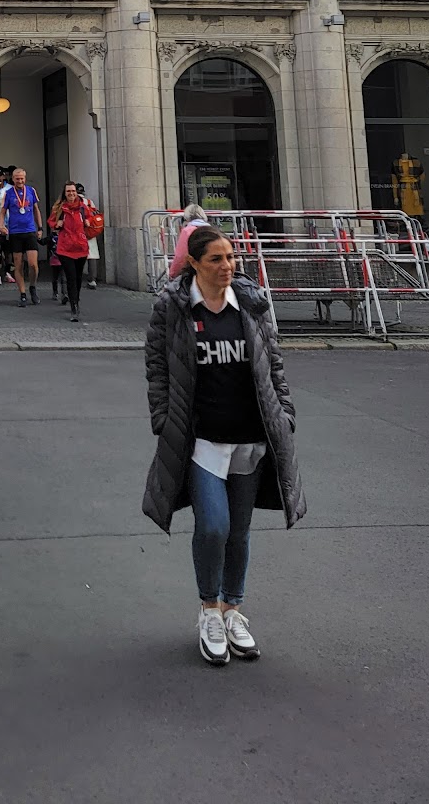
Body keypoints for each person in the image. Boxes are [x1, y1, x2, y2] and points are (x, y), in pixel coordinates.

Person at [143, 224, 305, 667]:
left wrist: (285, 412)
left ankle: (233, 610)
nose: (227, 266)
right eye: (216, 259)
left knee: (239, 530)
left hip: (250, 439)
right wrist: (162, 417)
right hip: (202, 441)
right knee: (213, 525)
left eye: (231, 257)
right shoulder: (173, 308)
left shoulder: (251, 303)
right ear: (194, 263)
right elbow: (157, 364)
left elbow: (273, 362)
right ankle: (209, 610)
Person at [0, 166, 42, 306]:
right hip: (15, 232)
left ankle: (33, 286)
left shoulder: (31, 191)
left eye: (22, 178)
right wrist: (1, 226)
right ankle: (22, 294)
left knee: (33, 264)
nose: (20, 181)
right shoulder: (8, 193)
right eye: (17, 179)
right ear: (13, 179)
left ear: (25, 178)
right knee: (18, 265)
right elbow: (2, 212)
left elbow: (36, 210)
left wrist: (40, 228)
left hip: (29, 231)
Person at [48, 182, 91, 321]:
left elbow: (89, 217)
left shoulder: (83, 207)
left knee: (78, 277)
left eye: (73, 191)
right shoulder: (60, 208)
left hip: (80, 247)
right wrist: (56, 224)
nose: (71, 193)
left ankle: (76, 299)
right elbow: (51, 221)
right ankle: (74, 307)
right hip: (65, 248)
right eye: (68, 191)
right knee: (71, 277)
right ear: (65, 193)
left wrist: (88, 221)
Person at [168, 202, 210, 279]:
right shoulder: (212, 230)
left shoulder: (187, 231)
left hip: (194, 272)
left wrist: (172, 274)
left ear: (187, 217)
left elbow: (181, 256)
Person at [77, 182, 101, 287]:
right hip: (90, 232)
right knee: (92, 255)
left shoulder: (74, 202)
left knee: (77, 255)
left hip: (78, 232)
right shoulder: (90, 202)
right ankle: (92, 279)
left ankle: (76, 277)